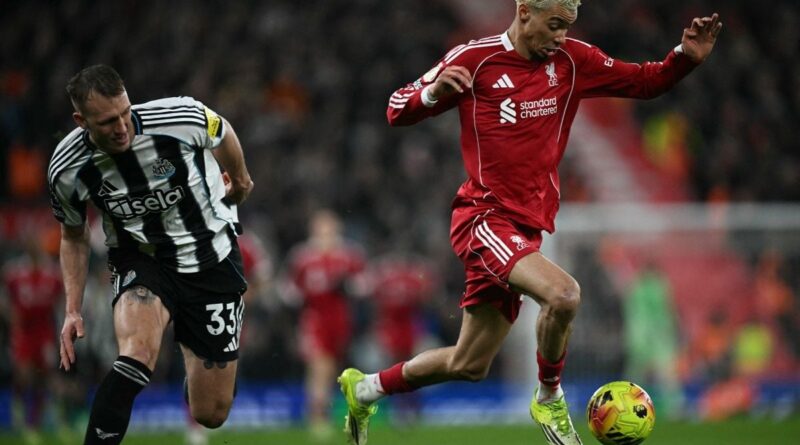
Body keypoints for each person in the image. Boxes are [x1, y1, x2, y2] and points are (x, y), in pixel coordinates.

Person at [338, 2, 722, 444]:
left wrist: (685, 57)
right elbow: (395, 108)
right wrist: (432, 93)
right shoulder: (473, 59)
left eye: (567, 27)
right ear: (524, 12)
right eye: (554, 25)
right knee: (564, 295)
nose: (561, 36)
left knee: (469, 364)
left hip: (526, 229)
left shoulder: (573, 61)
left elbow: (644, 81)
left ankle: (365, 388)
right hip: (483, 218)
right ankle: (549, 397)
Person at [48, 64, 254, 445]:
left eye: (126, 112)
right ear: (81, 120)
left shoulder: (179, 118)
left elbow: (221, 130)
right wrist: (72, 308)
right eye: (108, 121)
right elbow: (73, 234)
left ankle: (197, 367)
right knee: (137, 353)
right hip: (142, 259)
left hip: (212, 257)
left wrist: (239, 179)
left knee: (211, 413)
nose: (123, 126)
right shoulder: (67, 168)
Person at [285, 209, 366, 439]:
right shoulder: (302, 257)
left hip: (340, 320)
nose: (326, 234)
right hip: (315, 319)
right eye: (322, 229)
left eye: (330, 229)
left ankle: (321, 414)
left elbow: (364, 284)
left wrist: (348, 286)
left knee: (330, 369)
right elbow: (289, 290)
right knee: (318, 367)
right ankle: (316, 418)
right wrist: (304, 297)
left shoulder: (349, 254)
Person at [2, 235, 63, 444]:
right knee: (24, 374)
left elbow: (59, 301)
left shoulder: (53, 273)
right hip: (24, 333)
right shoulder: (14, 272)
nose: (33, 246)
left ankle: (34, 424)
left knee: (44, 376)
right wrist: (12, 318)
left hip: (44, 332)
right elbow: (6, 299)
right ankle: (18, 412)